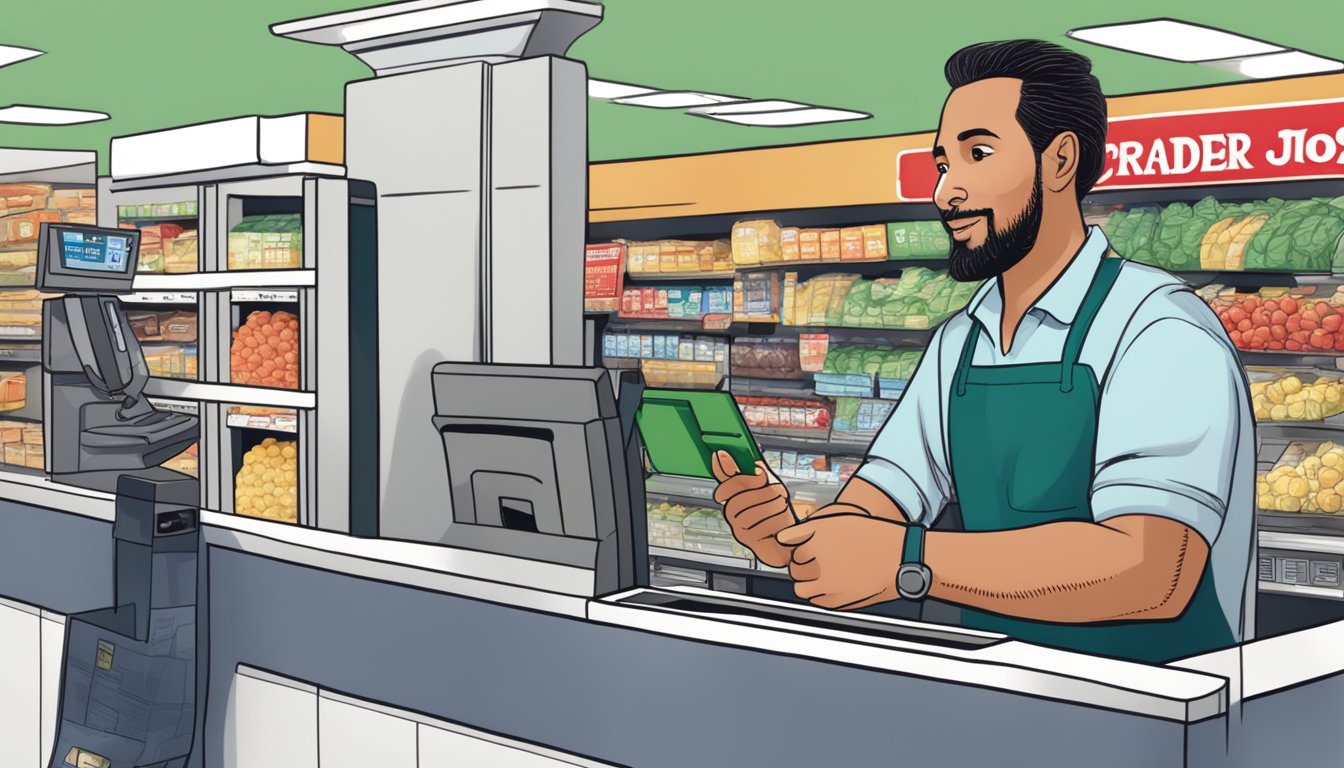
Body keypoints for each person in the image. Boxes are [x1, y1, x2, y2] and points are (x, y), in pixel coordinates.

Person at [711, 39, 1254, 664]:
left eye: (978, 154)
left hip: (1160, 712)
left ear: (1060, 161)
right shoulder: (958, 344)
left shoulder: (1158, 328)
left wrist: (908, 560)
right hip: (1005, 690)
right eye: (944, 164)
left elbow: (1150, 569)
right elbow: (877, 506)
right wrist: (797, 537)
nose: (947, 193)